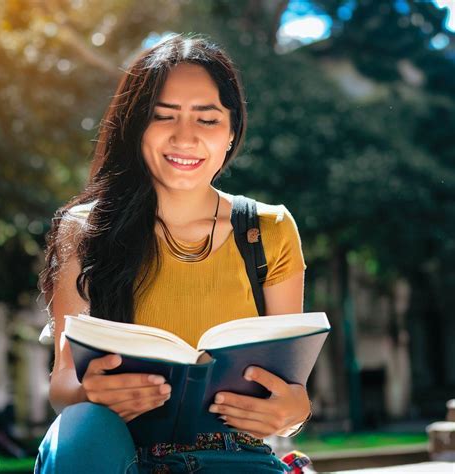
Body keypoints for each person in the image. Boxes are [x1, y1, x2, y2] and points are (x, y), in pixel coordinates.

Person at [34, 32, 311, 474]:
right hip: (119, 452)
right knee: (83, 425)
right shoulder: (84, 229)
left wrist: (296, 412)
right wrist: (92, 395)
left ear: (231, 131)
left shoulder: (269, 229)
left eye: (207, 120)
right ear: (136, 127)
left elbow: (288, 394)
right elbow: (63, 384)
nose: (185, 137)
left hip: (235, 458)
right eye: (164, 117)